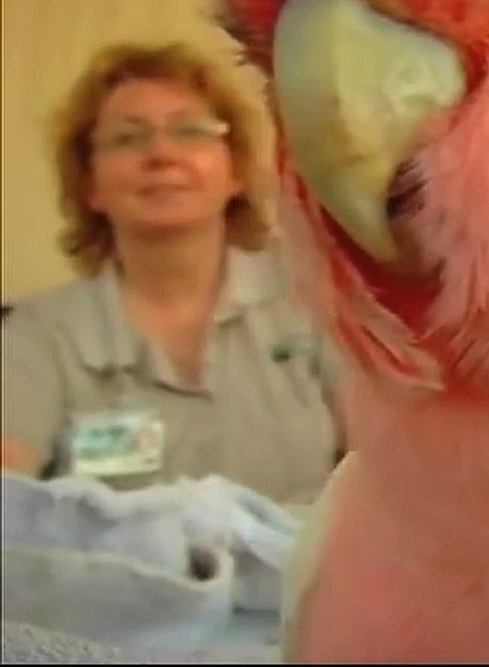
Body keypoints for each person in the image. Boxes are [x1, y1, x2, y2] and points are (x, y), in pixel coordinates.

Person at [1, 41, 350, 505]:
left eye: (189, 131)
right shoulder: (39, 335)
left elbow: (389, 473)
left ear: (235, 172)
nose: (161, 153)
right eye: (128, 137)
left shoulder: (316, 297)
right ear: (90, 186)